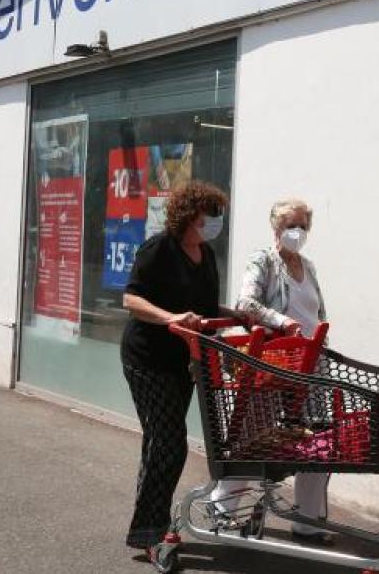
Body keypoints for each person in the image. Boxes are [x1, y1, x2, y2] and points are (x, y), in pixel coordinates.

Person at [120, 180, 239, 557]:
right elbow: (131, 298)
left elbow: (202, 307)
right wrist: (170, 317)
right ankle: (150, 532)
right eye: (210, 215)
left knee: (160, 441)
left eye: (219, 215)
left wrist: (235, 315)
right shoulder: (159, 249)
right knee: (169, 443)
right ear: (190, 215)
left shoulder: (206, 255)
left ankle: (147, 523)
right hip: (147, 359)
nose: (215, 222)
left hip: (184, 362)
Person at [211, 198, 332, 543]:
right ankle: (223, 515)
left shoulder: (308, 266)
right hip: (272, 367)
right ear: (276, 228)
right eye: (290, 225)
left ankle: (308, 522)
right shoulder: (263, 260)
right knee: (254, 442)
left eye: (303, 226)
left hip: (310, 369)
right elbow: (244, 304)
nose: (297, 232)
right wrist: (283, 321)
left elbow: (318, 314)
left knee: (316, 444)